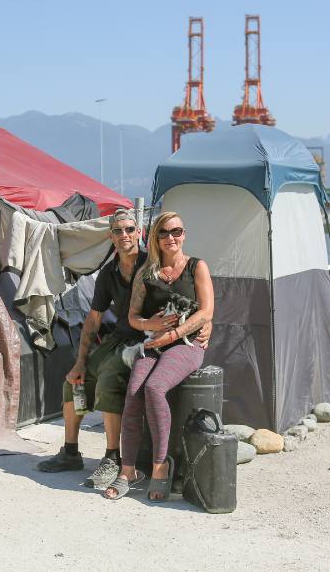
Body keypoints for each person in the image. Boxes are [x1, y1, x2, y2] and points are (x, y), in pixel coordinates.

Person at [36, 209, 210, 490]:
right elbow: (93, 318)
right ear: (110, 236)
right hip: (120, 337)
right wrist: (80, 361)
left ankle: (112, 457)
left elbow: (188, 297)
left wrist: (205, 322)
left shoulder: (151, 261)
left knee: (109, 377)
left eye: (130, 229)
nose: (124, 235)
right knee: (73, 384)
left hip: (144, 341)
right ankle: (70, 451)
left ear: (139, 233)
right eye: (118, 231)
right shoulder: (109, 273)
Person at [104, 211, 214, 501]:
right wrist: (147, 326)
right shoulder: (147, 272)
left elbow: (206, 311)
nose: (170, 238)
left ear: (184, 234)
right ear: (154, 238)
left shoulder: (196, 266)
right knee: (134, 392)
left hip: (187, 344)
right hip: (152, 343)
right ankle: (128, 470)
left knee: (154, 388)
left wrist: (173, 336)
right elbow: (132, 315)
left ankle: (160, 465)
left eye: (176, 231)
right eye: (163, 233)